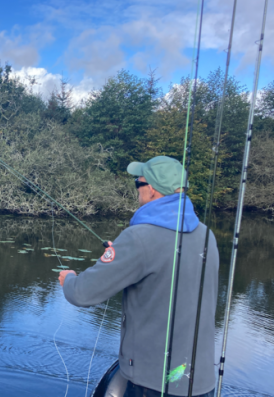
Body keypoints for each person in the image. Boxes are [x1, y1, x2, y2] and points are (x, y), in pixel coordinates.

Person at [59, 156, 219, 397]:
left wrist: (68, 278)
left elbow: (82, 293)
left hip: (151, 384)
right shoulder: (207, 235)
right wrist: (124, 258)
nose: (137, 191)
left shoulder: (139, 237)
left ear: (152, 190)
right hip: (200, 381)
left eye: (138, 184)